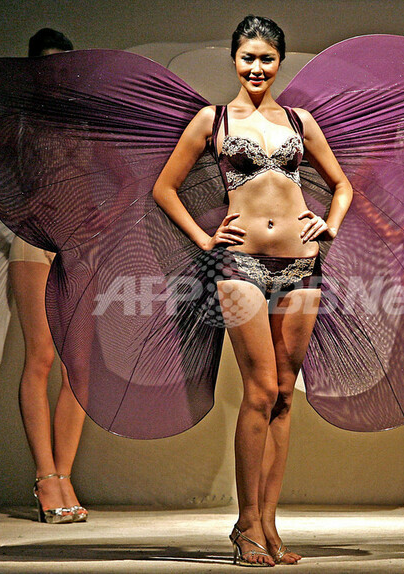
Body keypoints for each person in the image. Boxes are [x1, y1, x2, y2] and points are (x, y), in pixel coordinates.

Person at [153, 15, 352, 566]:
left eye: (267, 58)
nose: (257, 68)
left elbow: (342, 184)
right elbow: (165, 187)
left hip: (302, 265)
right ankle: (245, 525)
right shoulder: (212, 120)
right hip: (239, 264)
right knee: (260, 390)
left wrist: (329, 224)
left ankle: (268, 524)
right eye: (248, 58)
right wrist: (203, 238)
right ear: (234, 60)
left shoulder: (300, 121)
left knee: (285, 396)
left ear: (280, 61)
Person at [0, 27, 87, 525]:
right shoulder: (18, 124)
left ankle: (64, 477)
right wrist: (16, 213)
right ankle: (46, 479)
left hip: (77, 249)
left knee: (79, 370)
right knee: (42, 357)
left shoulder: (82, 126)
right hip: (33, 247)